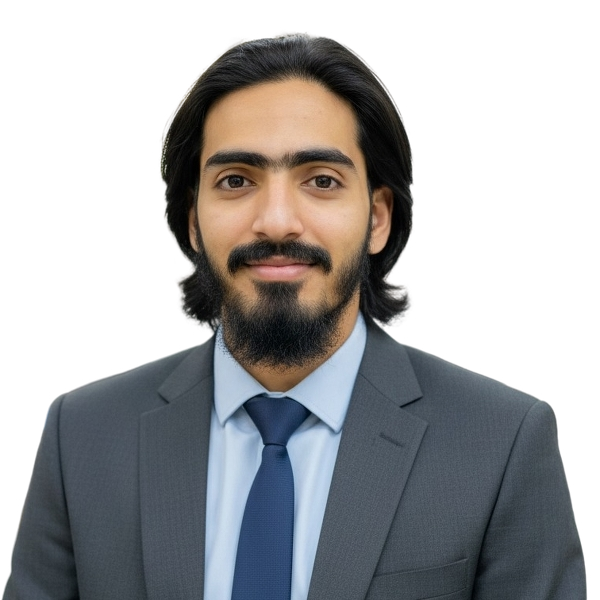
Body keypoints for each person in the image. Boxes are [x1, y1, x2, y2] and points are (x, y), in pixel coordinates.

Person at [3, 33, 589, 600]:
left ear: (378, 218)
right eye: (236, 180)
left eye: (322, 181)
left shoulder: (504, 441)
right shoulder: (82, 437)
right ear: (192, 221)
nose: (277, 221)